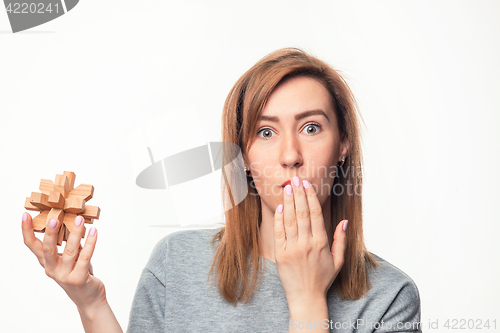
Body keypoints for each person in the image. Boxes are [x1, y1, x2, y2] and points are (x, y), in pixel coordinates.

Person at [22, 47, 422, 332]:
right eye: (265, 132)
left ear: (343, 145)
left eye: (311, 127)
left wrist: (307, 303)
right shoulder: (176, 264)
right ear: (243, 156)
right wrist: (89, 302)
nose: (290, 155)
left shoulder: (390, 298)